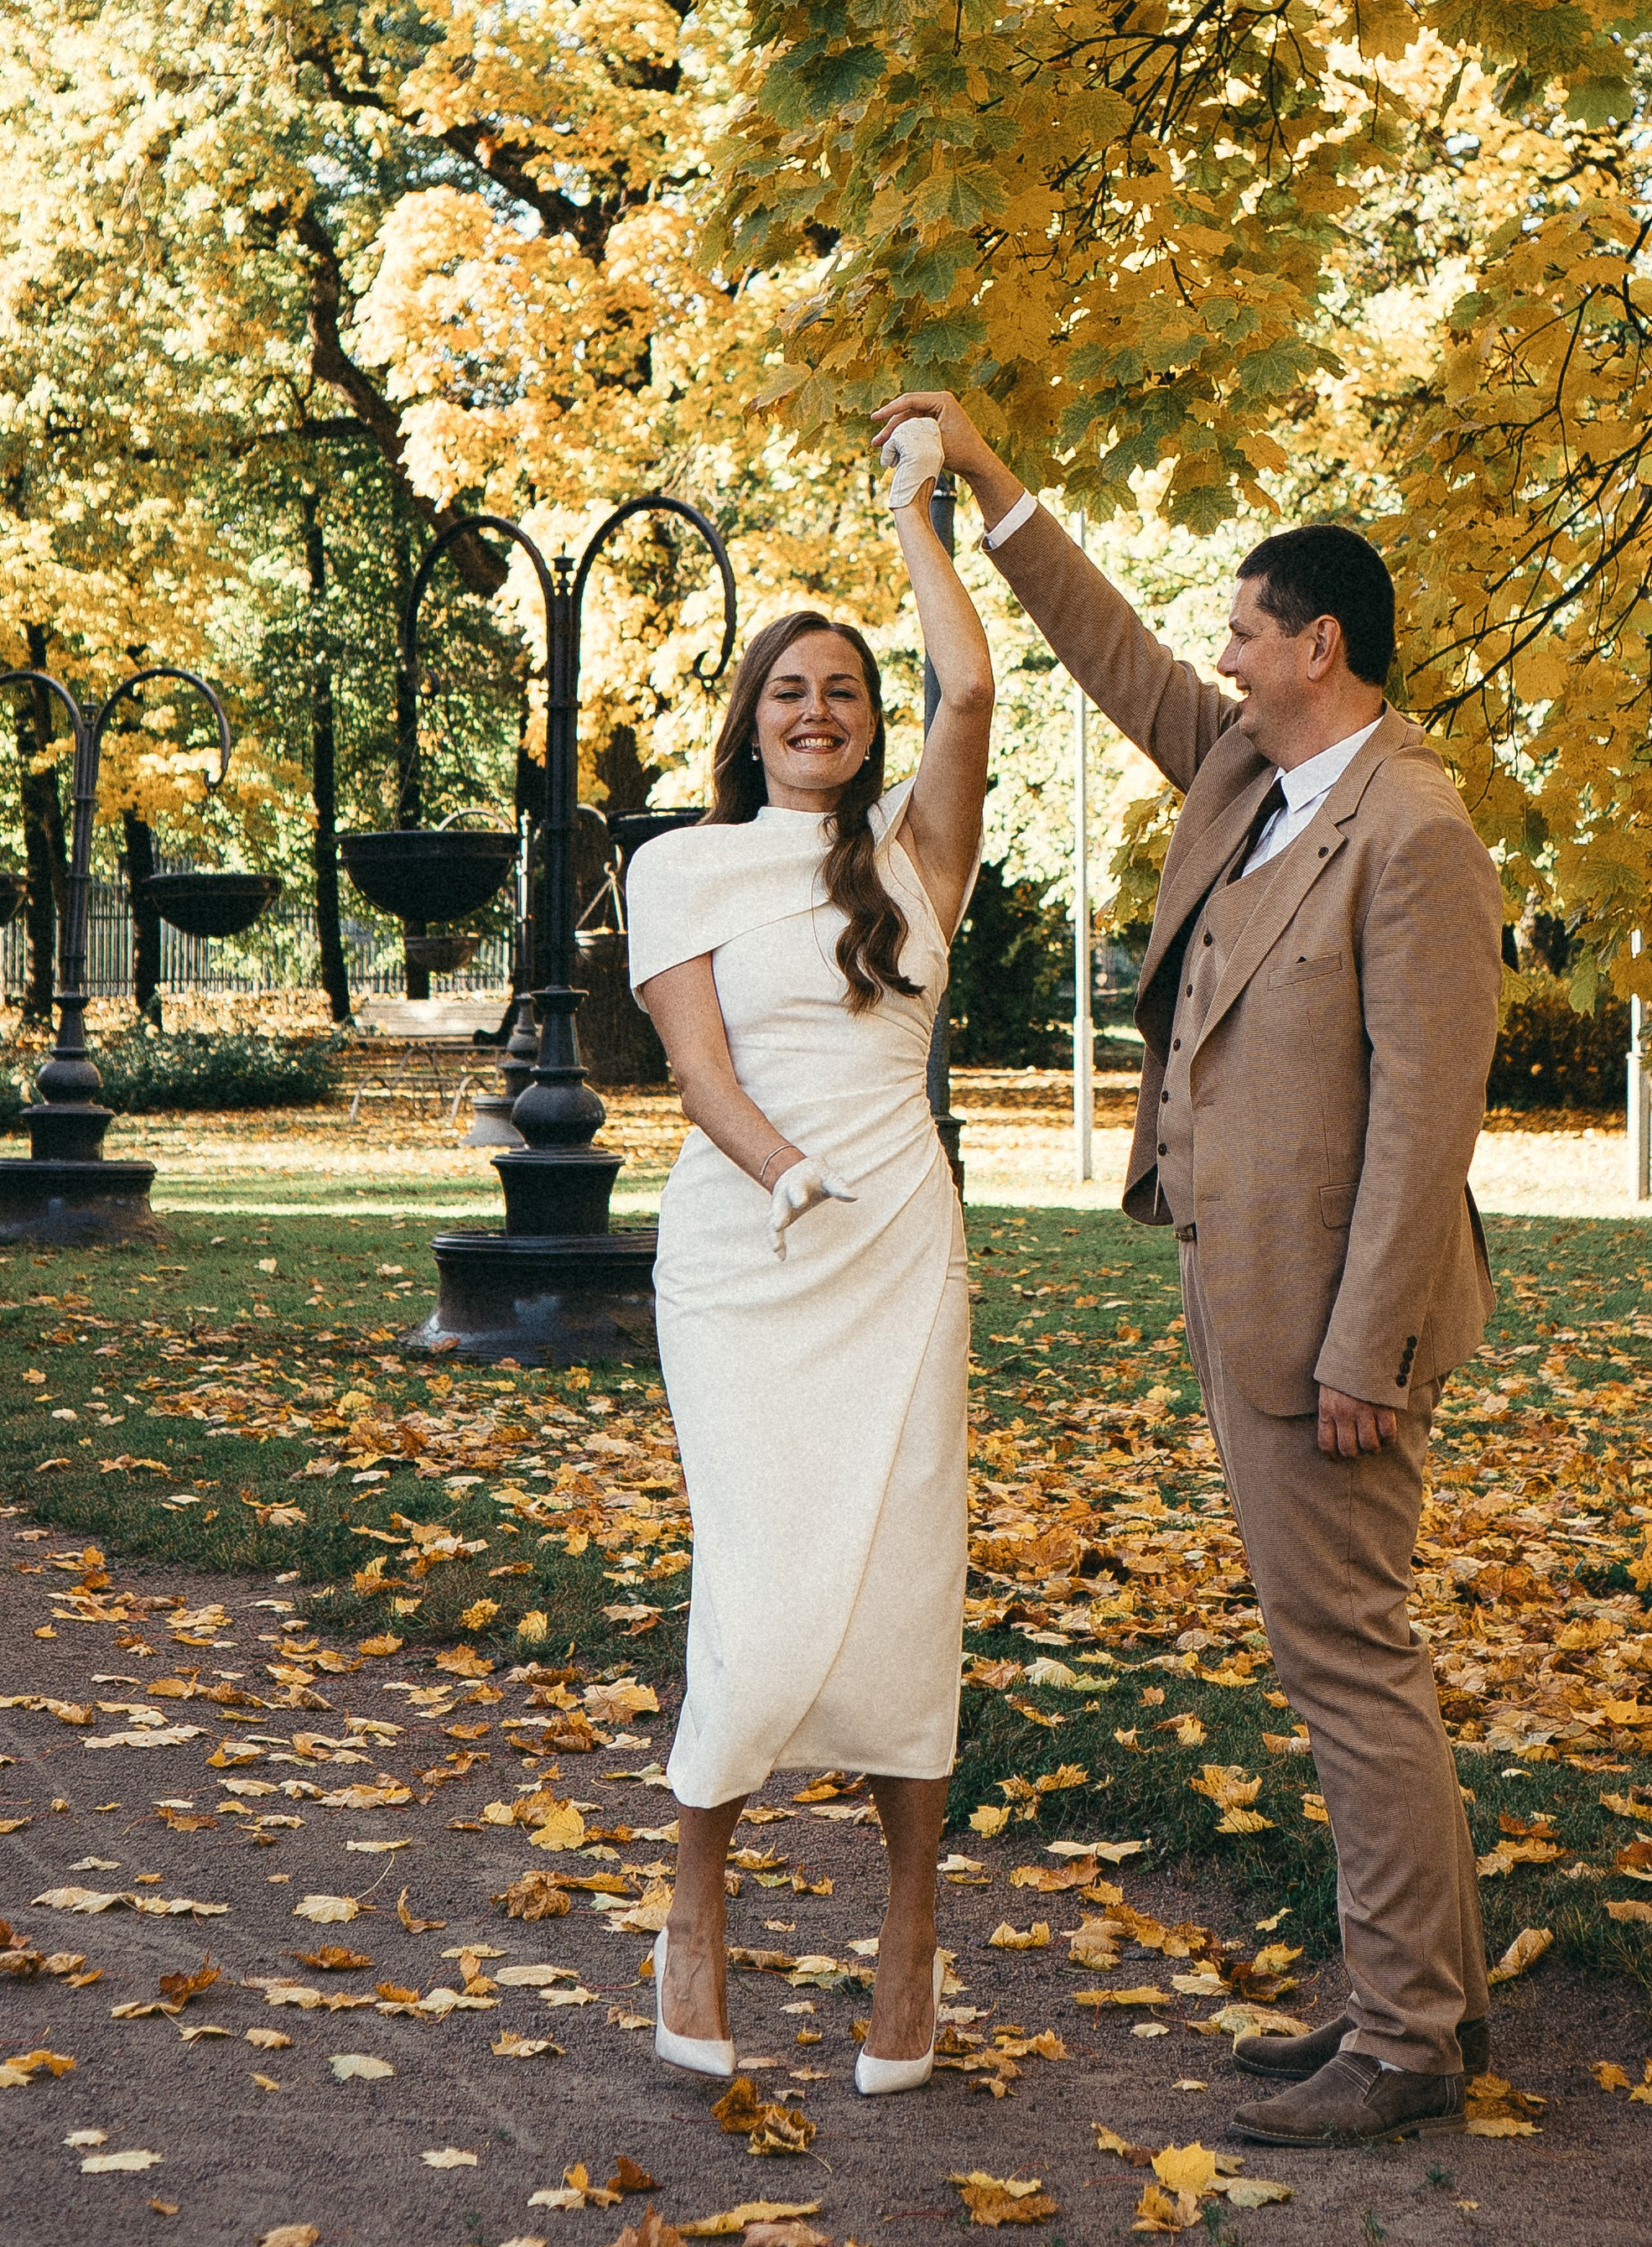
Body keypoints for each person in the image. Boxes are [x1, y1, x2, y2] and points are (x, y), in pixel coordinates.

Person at [873, 390, 1504, 2150]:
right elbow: (1103, 645)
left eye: (1242, 629)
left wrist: (1365, 1349)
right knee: (1339, 1655)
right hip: (1241, 1288)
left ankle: (1400, 2041)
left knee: (1345, 1658)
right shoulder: (1250, 773)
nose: (1215, 657)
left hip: (1333, 1324)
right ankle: (1427, 2006)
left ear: (1317, 645)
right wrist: (991, 480)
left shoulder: (1415, 834)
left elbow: (1421, 1130)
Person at [624, 418, 989, 2098]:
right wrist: (785, 1180)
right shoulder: (679, 864)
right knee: (762, 1595)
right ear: (749, 716)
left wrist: (927, 507)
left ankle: (908, 1929)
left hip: (900, 1252)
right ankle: (694, 1901)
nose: (821, 711)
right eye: (791, 689)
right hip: (745, 1253)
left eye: (844, 687)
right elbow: (700, 1075)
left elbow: (971, 690)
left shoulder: (913, 853)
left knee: (905, 1596)